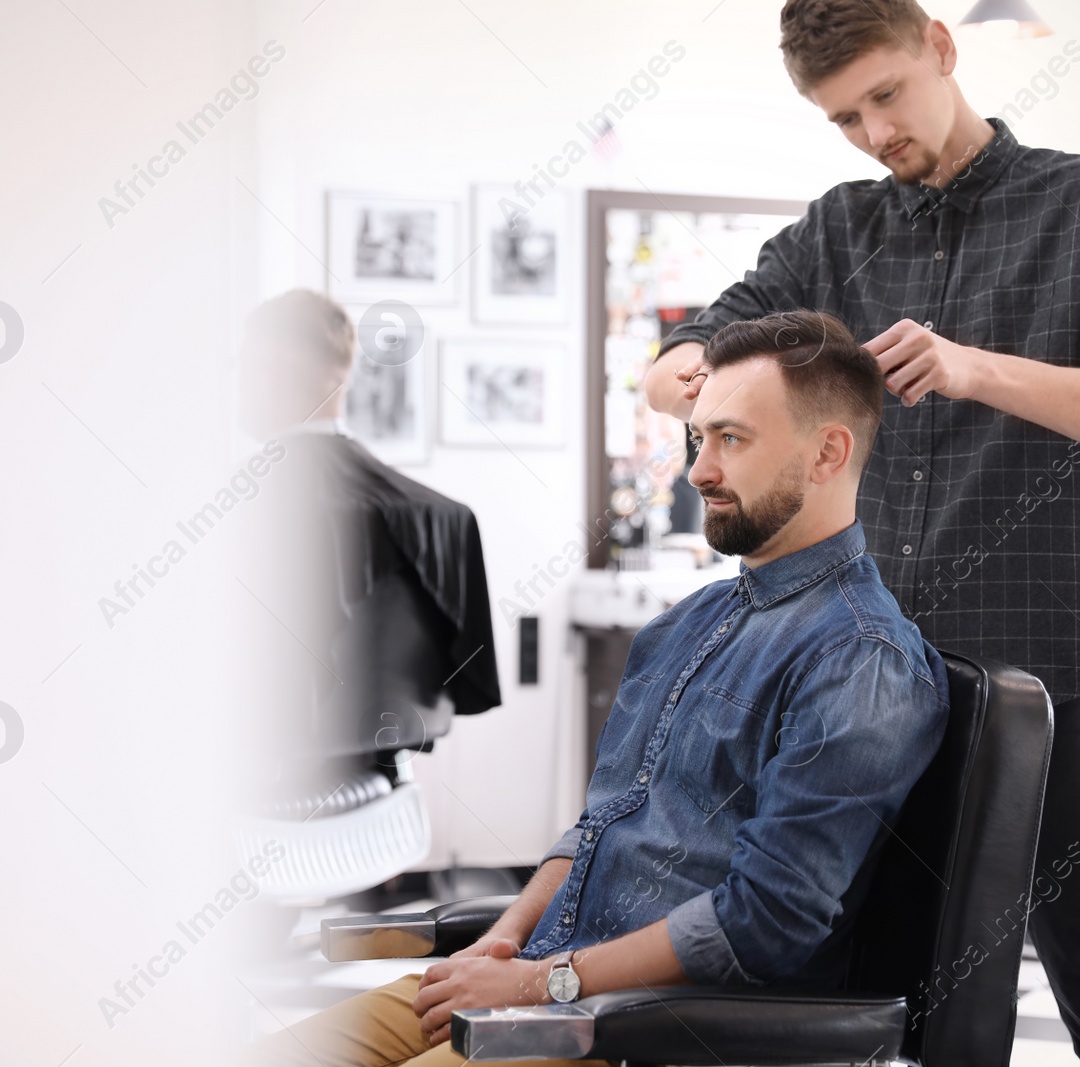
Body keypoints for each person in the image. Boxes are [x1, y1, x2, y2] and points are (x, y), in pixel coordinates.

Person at [643, 5, 1080, 1065]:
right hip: (860, 680)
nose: (872, 134)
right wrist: (683, 368)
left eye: (885, 96)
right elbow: (695, 342)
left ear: (942, 48)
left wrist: (969, 367)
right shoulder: (835, 228)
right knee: (859, 983)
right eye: (842, 117)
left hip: (1033, 678)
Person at [242, 310, 952, 1066]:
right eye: (700, 436)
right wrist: (499, 944)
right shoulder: (687, 623)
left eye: (732, 439)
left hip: (643, 1031)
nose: (698, 470)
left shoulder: (860, 659)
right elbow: (598, 826)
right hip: (551, 978)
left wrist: (535, 986)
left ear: (827, 454)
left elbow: (766, 922)